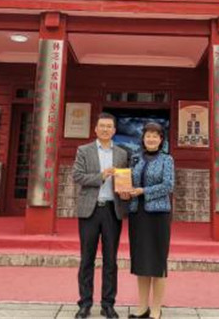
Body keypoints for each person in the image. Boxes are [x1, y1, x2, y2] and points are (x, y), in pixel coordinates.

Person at [72, 112, 128, 319]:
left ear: (114, 131)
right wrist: (101, 176)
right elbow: (77, 176)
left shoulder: (122, 154)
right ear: (95, 129)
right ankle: (85, 304)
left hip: (113, 210)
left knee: (110, 260)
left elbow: (125, 180)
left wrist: (126, 191)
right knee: (87, 258)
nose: (105, 129)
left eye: (109, 127)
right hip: (90, 209)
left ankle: (108, 304)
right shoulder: (84, 150)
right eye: (102, 126)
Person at [120, 122, 175, 319]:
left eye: (155, 136)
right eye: (148, 135)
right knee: (141, 262)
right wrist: (125, 191)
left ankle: (156, 309)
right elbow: (128, 181)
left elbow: (168, 185)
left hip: (158, 215)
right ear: (143, 138)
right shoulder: (135, 158)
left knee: (158, 262)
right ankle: (142, 308)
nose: (151, 139)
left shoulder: (167, 159)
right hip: (138, 214)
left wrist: (143, 191)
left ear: (161, 140)